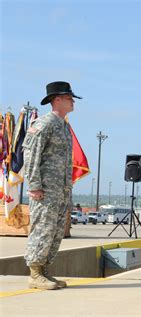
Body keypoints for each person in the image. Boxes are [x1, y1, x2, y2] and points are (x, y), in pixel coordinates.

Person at [23, 81, 81, 290]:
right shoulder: (44, 124)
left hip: (61, 190)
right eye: (69, 98)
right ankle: (35, 273)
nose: (73, 102)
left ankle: (45, 270)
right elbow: (30, 155)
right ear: (56, 100)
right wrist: (35, 185)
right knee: (43, 229)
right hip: (45, 190)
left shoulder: (64, 126)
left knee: (56, 231)